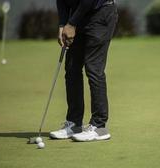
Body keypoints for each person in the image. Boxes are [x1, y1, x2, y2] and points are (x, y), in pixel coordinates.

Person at [49, 0, 118, 142]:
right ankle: (74, 123)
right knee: (72, 67)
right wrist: (63, 24)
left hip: (101, 13)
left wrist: (71, 23)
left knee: (93, 68)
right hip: (78, 16)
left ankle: (99, 127)